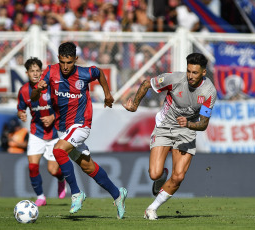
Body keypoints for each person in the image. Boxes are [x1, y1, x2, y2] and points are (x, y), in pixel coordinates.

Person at [31, 42, 127, 219]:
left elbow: (99, 72)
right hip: (63, 128)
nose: (66, 66)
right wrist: (38, 88)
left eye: (69, 62)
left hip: (82, 124)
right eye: (62, 62)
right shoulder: (50, 72)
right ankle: (118, 194)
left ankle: (76, 193)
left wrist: (107, 95)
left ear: (75, 59)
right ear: (58, 59)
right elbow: (33, 96)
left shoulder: (84, 73)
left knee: (58, 150)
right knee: (88, 167)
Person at [123, 53, 217, 220]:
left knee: (179, 175)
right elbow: (147, 84)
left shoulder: (209, 92)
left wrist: (188, 124)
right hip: (164, 127)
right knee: (154, 174)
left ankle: (152, 208)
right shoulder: (174, 79)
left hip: (186, 130)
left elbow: (203, 124)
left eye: (195, 73)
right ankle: (161, 176)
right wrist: (135, 105)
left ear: (203, 73)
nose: (190, 76)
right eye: (188, 71)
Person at [17, 57, 66, 206]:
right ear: (27, 73)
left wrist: (52, 117)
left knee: (52, 170)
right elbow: (20, 109)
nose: (35, 74)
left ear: (42, 72)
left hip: (52, 135)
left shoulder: (51, 87)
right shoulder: (24, 90)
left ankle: (61, 178)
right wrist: (21, 114)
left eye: (38, 70)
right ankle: (41, 197)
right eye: (32, 71)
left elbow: (63, 108)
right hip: (36, 133)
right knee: (32, 166)